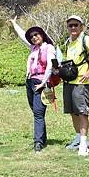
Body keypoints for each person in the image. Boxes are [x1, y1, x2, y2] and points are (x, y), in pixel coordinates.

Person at [11, 17, 56, 153]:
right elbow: (22, 36)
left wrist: (43, 83)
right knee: (36, 111)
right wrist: (14, 24)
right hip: (31, 82)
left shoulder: (49, 48)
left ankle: (38, 142)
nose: (34, 38)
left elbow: (50, 66)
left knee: (38, 112)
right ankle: (42, 137)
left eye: (36, 35)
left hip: (42, 83)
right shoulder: (33, 48)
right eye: (32, 36)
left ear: (42, 35)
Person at [62, 15, 89, 156]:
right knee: (73, 112)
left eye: (76, 25)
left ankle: (84, 143)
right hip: (69, 82)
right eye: (70, 25)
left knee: (82, 112)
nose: (73, 28)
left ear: (82, 26)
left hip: (81, 82)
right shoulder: (68, 42)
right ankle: (78, 138)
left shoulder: (87, 40)